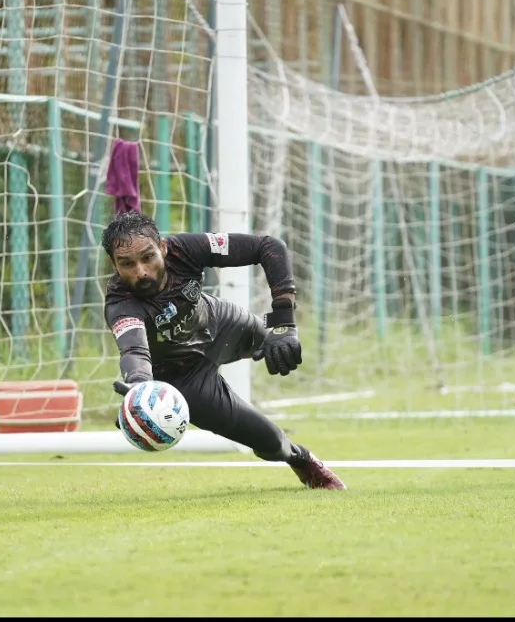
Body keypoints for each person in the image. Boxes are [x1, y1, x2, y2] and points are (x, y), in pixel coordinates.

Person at [101, 210, 346, 490]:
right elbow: (134, 351)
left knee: (282, 345)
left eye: (148, 257)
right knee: (268, 440)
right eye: (127, 264)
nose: (141, 271)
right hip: (184, 378)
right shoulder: (120, 304)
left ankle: (272, 334)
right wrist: (139, 388)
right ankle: (302, 460)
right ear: (114, 264)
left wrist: (283, 322)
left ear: (163, 248)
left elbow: (269, 246)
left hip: (220, 324)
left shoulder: (186, 249)